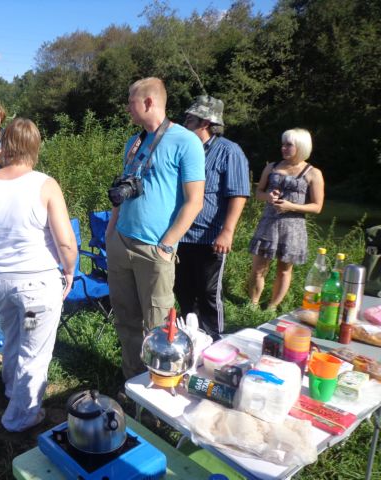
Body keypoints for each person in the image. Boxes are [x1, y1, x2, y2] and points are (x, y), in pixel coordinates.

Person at [0, 118, 77, 432]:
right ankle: (20, 417)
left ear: (6, 144)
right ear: (35, 146)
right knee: (34, 351)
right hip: (37, 286)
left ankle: (13, 389)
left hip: (2, 283)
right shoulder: (45, 184)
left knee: (15, 336)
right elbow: (66, 241)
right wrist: (69, 270)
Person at [106, 78, 205, 380]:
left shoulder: (186, 141)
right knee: (125, 319)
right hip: (122, 241)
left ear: (148, 102)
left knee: (158, 327)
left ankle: (158, 386)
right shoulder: (134, 142)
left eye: (131, 102)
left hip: (155, 249)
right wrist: (111, 232)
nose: (127, 108)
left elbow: (195, 201)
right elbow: (122, 188)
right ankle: (132, 380)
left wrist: (166, 245)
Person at [175, 95, 250, 338]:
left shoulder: (229, 151)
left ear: (205, 123)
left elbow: (238, 193)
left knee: (208, 292)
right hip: (180, 234)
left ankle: (215, 339)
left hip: (210, 237)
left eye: (190, 119)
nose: (184, 123)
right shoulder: (184, 149)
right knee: (182, 289)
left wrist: (227, 232)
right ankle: (190, 338)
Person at [248, 128, 325, 310]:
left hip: (293, 228)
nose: (283, 148)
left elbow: (317, 206)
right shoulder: (272, 167)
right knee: (258, 268)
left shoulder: (313, 173)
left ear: (301, 146)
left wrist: (291, 206)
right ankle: (252, 304)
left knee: (284, 270)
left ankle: (272, 307)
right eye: (283, 144)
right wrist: (268, 197)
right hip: (268, 224)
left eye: (288, 145)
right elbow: (258, 192)